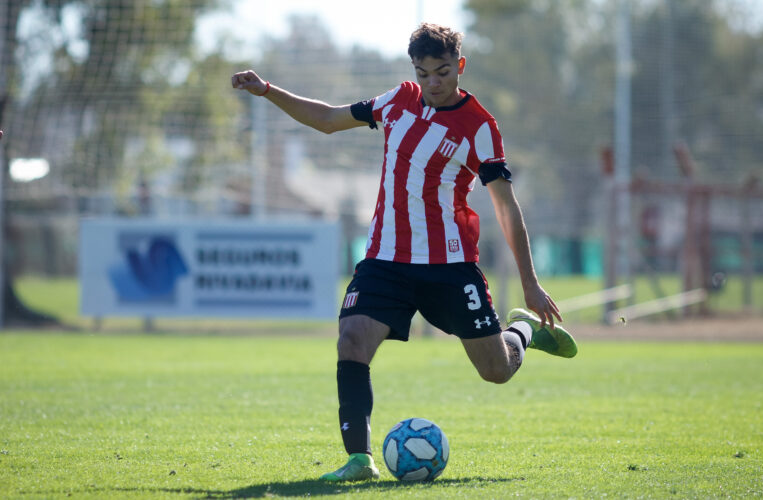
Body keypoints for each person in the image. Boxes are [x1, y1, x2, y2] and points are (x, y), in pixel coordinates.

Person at [232, 23, 577, 483]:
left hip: (449, 267)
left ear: (460, 66)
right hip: (385, 261)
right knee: (351, 341)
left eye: (442, 72)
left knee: (496, 371)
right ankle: (360, 460)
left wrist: (530, 283)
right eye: (423, 72)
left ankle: (524, 331)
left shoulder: (480, 126)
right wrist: (268, 91)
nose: (433, 82)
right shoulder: (399, 100)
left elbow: (505, 206)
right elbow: (329, 119)